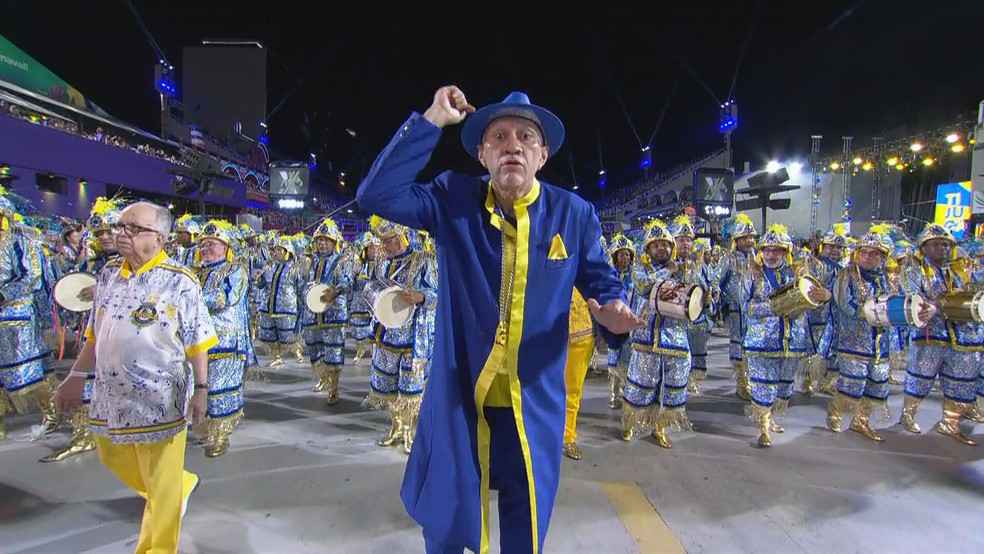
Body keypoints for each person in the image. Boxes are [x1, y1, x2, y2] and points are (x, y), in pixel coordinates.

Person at [356, 86, 640, 553]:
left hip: (532, 407)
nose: (513, 145)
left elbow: (601, 286)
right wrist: (432, 118)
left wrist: (612, 312)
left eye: (527, 137)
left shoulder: (573, 214)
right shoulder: (453, 199)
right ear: (482, 153)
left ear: (542, 155)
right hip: (461, 399)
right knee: (447, 523)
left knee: (524, 527)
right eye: (500, 137)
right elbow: (377, 193)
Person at [53, 201, 218, 553]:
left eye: (132, 228)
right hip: (110, 395)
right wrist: (76, 375)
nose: (119, 234)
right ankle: (179, 486)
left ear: (158, 238)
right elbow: (95, 335)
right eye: (119, 227)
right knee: (111, 455)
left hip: (162, 398)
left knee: (160, 485)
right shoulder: (109, 274)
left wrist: (202, 388)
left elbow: (197, 340)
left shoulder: (181, 282)